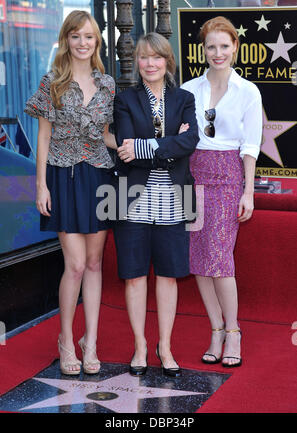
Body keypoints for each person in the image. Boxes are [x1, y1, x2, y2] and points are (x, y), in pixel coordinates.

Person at [25, 10, 116, 375]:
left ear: (97, 42)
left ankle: (89, 342)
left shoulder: (108, 84)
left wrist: (148, 144)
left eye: (89, 37)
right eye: (76, 36)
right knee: (75, 265)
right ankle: (66, 339)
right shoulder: (52, 82)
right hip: (63, 178)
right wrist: (40, 185)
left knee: (95, 264)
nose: (83, 43)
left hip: (99, 177)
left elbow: (107, 135)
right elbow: (43, 137)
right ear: (66, 40)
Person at [113, 32, 199, 377]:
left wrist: (146, 147)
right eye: (144, 58)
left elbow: (190, 141)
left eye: (157, 57)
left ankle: (165, 346)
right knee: (134, 277)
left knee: (168, 275)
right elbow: (123, 146)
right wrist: (168, 144)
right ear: (137, 62)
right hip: (130, 199)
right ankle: (140, 347)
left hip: (174, 200)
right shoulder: (124, 100)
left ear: (168, 61)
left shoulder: (185, 98)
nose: (150, 64)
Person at [181, 16, 262, 367]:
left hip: (228, 176)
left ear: (235, 48)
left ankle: (233, 332)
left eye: (224, 46)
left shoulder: (248, 92)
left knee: (219, 258)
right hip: (192, 173)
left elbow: (251, 144)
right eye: (211, 46)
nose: (218, 52)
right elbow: (179, 137)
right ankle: (215, 328)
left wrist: (248, 192)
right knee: (198, 259)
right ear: (203, 49)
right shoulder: (188, 89)